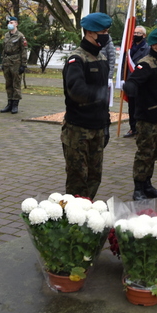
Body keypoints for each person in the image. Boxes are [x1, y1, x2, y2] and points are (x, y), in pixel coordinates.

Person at [62, 12, 113, 199]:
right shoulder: (77, 59)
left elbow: (104, 98)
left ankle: (88, 216)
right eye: (104, 31)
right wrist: (98, 94)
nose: (106, 35)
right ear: (90, 32)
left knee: (94, 177)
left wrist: (106, 123)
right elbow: (76, 91)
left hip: (97, 128)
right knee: (77, 180)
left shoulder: (101, 59)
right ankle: (73, 223)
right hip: (78, 130)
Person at [123, 28, 157, 200]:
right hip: (147, 118)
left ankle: (148, 185)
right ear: (156, 45)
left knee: (155, 152)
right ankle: (138, 189)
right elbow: (133, 82)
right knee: (144, 153)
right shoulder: (146, 64)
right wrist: (131, 87)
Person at [123, 25, 150, 138]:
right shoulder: (129, 48)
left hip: (141, 82)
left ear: (144, 36)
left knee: (141, 106)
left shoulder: (147, 49)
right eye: (134, 33)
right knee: (132, 106)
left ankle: (141, 129)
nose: (135, 35)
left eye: (138, 33)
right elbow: (124, 65)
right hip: (130, 81)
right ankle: (133, 128)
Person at [0, 16, 28, 114]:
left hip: (16, 62)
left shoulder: (20, 36)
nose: (10, 24)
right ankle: (9, 103)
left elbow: (24, 51)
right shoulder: (7, 35)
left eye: (12, 22)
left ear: (16, 24)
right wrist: (2, 62)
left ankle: (15, 104)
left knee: (16, 83)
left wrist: (23, 65)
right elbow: (4, 49)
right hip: (7, 61)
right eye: (9, 22)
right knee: (8, 83)